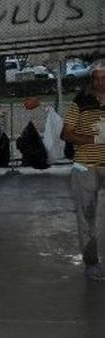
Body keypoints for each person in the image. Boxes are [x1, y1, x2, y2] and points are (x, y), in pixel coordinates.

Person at [61, 59, 105, 281]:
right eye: (96, 79)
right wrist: (93, 139)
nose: (99, 83)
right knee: (86, 215)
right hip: (85, 166)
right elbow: (66, 133)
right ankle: (91, 262)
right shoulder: (81, 101)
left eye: (104, 78)